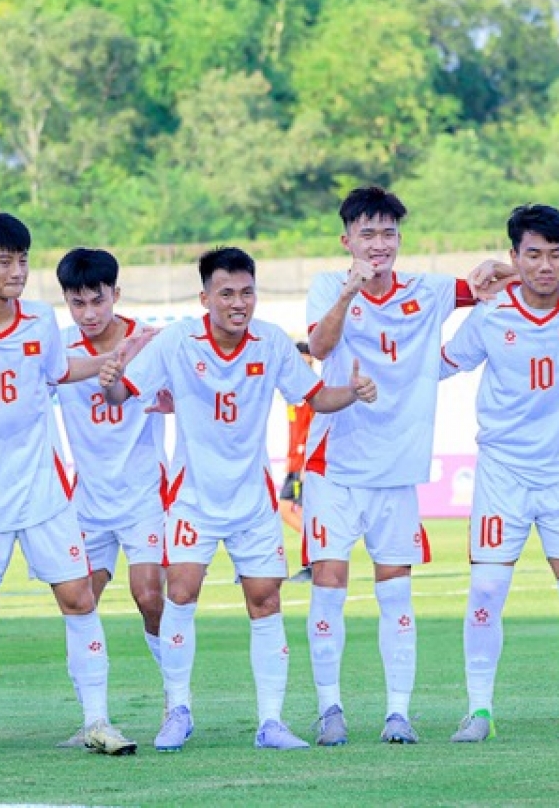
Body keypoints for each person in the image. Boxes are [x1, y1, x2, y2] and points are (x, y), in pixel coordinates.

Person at [303, 186, 559, 746]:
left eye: (388, 233)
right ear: (347, 241)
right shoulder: (328, 285)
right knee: (330, 585)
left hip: (400, 469)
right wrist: (348, 294)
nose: (379, 244)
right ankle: (329, 708)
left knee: (396, 593)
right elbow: (319, 347)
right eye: (367, 234)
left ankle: (397, 713)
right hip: (335, 464)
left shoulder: (428, 290)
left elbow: (502, 279)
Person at [100, 246, 377, 752]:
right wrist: (113, 382)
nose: (238, 303)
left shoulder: (270, 342)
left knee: (266, 601)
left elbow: (315, 399)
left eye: (247, 292)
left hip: (252, 501)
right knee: (179, 594)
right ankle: (178, 711)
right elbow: (124, 395)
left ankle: (270, 723)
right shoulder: (179, 341)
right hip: (193, 499)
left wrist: (353, 393)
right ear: (204, 297)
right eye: (226, 293)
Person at [0, 213, 137, 761]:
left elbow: (60, 371)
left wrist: (113, 359)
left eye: (22, 259)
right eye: (4, 259)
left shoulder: (41, 319)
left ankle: (97, 720)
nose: (16, 269)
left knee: (79, 596)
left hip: (43, 491)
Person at [440, 204, 559, 744]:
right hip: (502, 475)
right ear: (514, 257)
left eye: (557, 254)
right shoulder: (490, 314)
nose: (546, 265)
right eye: (533, 254)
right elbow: (439, 367)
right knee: (487, 591)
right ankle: (479, 711)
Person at [52, 247, 167, 748]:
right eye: (77, 304)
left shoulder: (150, 342)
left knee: (150, 598)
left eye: (97, 300)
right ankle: (93, 719)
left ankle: (175, 702)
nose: (89, 313)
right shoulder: (58, 349)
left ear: (115, 294)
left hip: (143, 493)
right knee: (80, 602)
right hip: (88, 501)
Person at [282, 341, 315, 582]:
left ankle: (314, 560)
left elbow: (314, 429)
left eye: (310, 363)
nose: (307, 368)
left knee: (302, 511)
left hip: (306, 462)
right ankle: (316, 551)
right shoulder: (291, 392)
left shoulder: (312, 393)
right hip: (294, 460)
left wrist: (306, 461)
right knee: (284, 508)